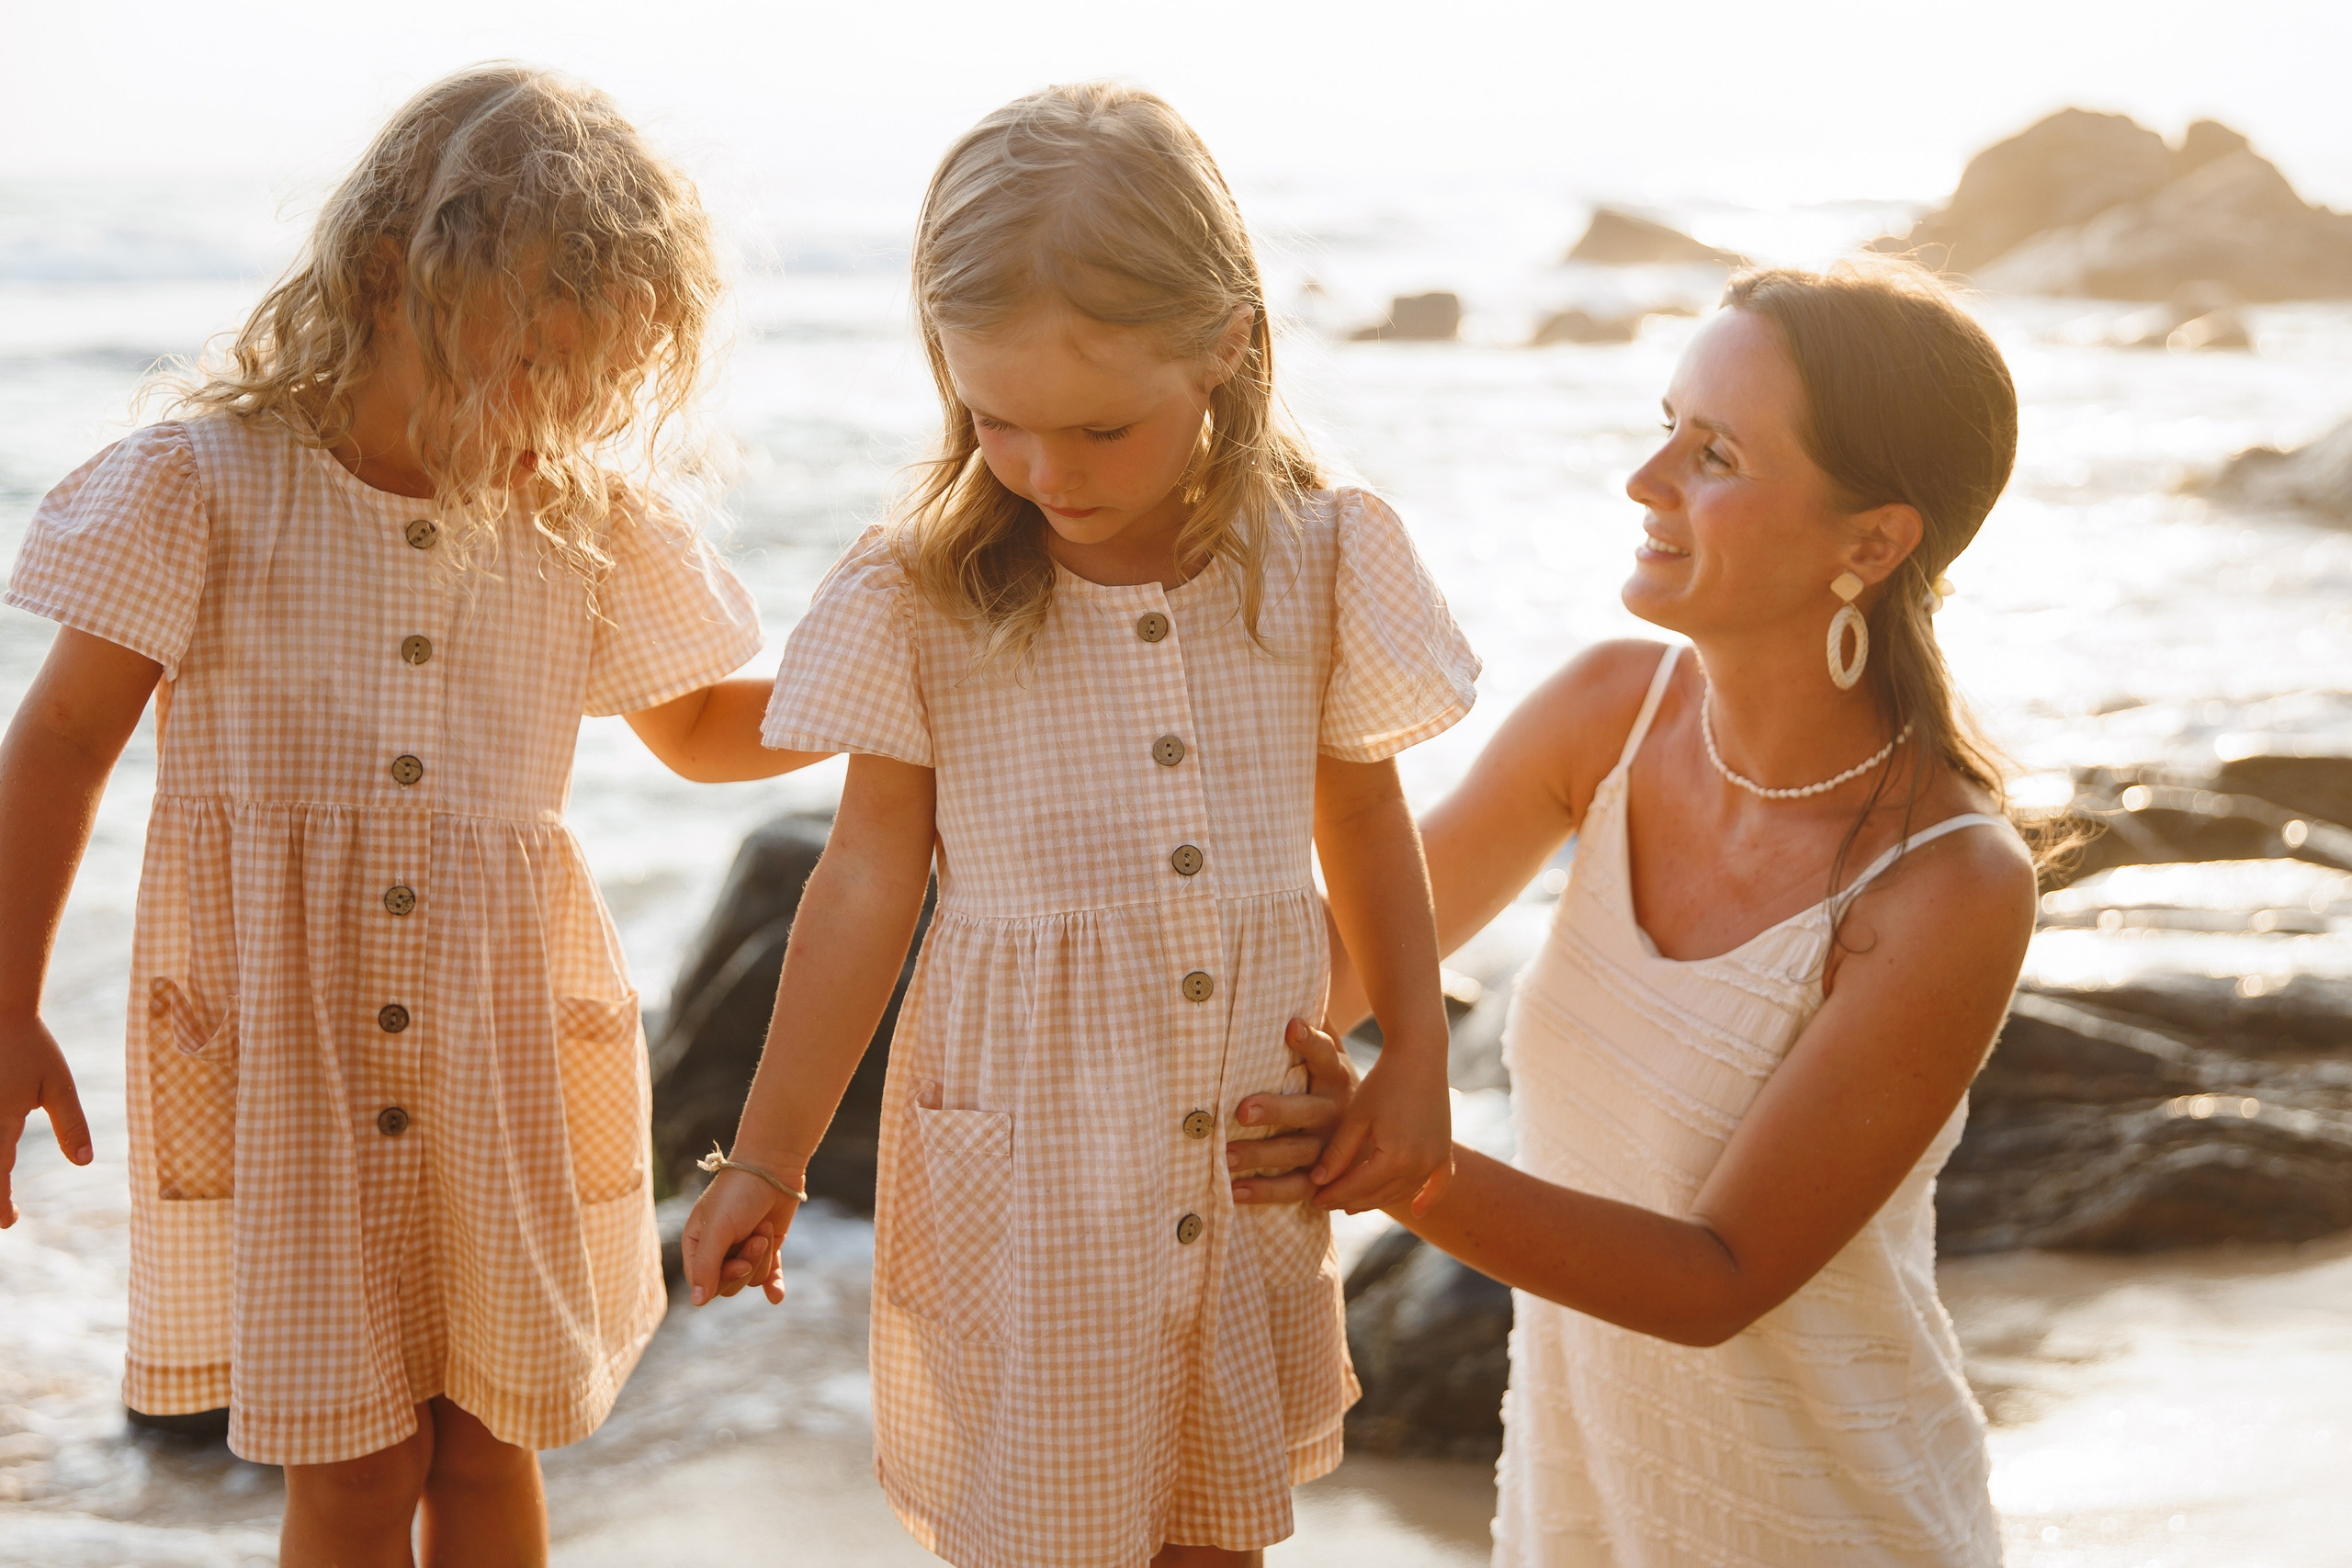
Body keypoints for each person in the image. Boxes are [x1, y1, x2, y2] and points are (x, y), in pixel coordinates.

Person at [0, 66, 823, 1567]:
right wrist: (4, 1000)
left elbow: (702, 726)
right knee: (360, 1463)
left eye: (585, 391)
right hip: (289, 1055)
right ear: (391, 276)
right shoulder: (207, 484)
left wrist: (897, 688)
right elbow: (61, 741)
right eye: (527, 367)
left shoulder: (574, 519)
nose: (549, 419)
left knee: (491, 1443)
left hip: (495, 1046)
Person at [679, 83, 1477, 1568]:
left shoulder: (1324, 555)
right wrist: (769, 1160)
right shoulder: (923, 591)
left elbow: (1363, 808)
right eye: (999, 425)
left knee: (1216, 1531)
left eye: (1101, 427)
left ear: (1229, 343)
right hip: (1026, 1166)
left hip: (1242, 1144)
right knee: (1036, 1531)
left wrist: (1416, 1056)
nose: (1048, 476)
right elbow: (861, 881)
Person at [1272, 262, 2037, 1563]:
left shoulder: (1950, 883)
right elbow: (1329, 972)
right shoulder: (1607, 717)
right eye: (1667, 424)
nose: (1647, 479)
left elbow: (1715, 1279)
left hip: (1829, 1525)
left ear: (1873, 542)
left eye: (1717, 453)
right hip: (1578, 1518)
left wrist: (1400, 1161)